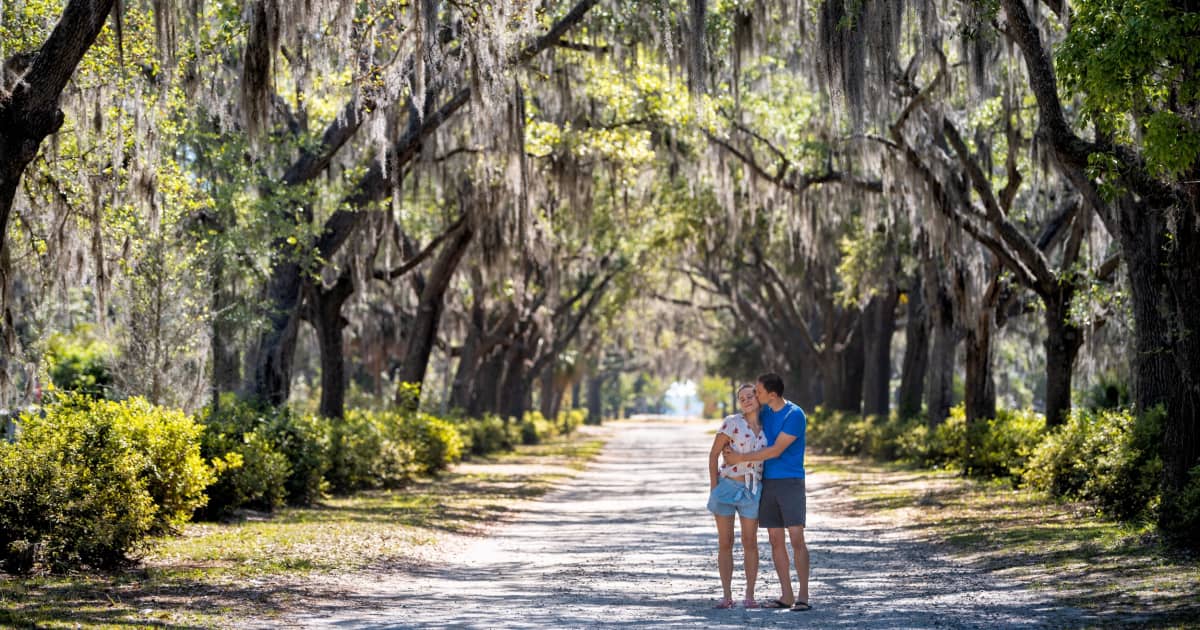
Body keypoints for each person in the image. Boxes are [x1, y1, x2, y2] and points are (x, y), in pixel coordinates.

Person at [723, 372, 810, 611]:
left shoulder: (795, 415)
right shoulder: (766, 413)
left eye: (758, 392)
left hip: (790, 481)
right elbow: (743, 425)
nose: (755, 395)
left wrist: (741, 458)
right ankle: (787, 595)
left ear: (772, 395)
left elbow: (775, 450)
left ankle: (803, 595)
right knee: (775, 540)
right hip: (767, 482)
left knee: (796, 538)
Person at [706, 383, 767, 609]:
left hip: (752, 489)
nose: (746, 400)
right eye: (742, 398)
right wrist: (715, 488)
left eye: (750, 396)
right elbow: (713, 455)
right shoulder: (732, 423)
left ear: (758, 398)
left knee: (750, 542)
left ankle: (750, 595)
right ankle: (727, 595)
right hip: (727, 486)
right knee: (725, 542)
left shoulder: (767, 426)